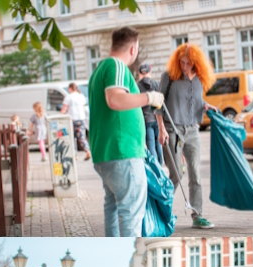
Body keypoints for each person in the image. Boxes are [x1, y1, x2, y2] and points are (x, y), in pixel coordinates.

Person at [87, 27, 164, 237]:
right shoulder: (117, 66)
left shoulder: (100, 69)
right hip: (123, 152)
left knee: (113, 209)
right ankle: (130, 252)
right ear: (133, 48)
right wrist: (149, 97)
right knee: (131, 213)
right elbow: (115, 99)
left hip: (108, 152)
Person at [156, 43, 219, 230]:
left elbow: (194, 98)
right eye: (182, 62)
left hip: (192, 130)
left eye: (188, 63)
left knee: (195, 174)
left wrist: (205, 105)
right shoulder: (170, 76)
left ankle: (197, 215)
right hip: (172, 129)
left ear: (195, 63)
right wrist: (161, 129)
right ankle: (160, 212)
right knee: (176, 174)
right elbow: (158, 103)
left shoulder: (199, 77)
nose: (184, 66)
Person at [137, 64, 163, 165]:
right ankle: (160, 165)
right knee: (158, 144)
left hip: (146, 121)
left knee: (151, 145)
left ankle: (155, 166)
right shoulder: (156, 84)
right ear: (150, 73)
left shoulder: (137, 87)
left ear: (140, 74)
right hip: (157, 119)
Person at [60, 82, 91, 161]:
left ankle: (75, 155)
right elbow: (83, 106)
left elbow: (64, 108)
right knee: (82, 137)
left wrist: (61, 115)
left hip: (72, 119)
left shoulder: (68, 97)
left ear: (70, 88)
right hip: (81, 119)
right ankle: (87, 151)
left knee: (72, 138)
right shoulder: (81, 96)